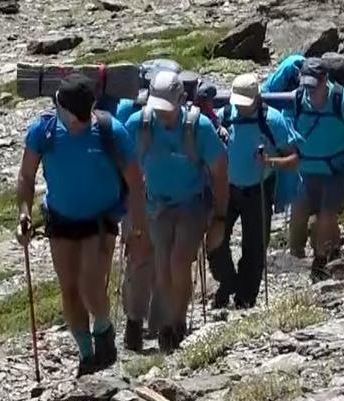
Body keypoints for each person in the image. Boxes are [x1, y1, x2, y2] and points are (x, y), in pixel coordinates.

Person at [16, 74, 150, 376]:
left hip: (101, 219)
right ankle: (87, 354)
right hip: (61, 220)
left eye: (82, 117)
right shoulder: (44, 131)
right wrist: (24, 213)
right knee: (70, 288)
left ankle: (103, 331)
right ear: (61, 109)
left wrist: (136, 225)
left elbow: (135, 181)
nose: (79, 123)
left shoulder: (109, 131)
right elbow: (26, 176)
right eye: (74, 118)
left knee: (90, 282)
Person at [125, 71, 228, 352]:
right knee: (162, 263)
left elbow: (219, 172)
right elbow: (127, 167)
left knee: (179, 260)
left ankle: (175, 323)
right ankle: (167, 321)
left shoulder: (200, 128)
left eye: (168, 110)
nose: (163, 115)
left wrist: (219, 217)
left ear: (181, 102)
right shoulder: (139, 125)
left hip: (192, 204)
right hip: (155, 205)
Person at [208, 73, 299, 309]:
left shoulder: (273, 121)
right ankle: (228, 282)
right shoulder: (225, 116)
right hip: (226, 189)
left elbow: (294, 157)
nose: (241, 107)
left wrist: (270, 162)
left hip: (258, 188)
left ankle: (245, 298)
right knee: (215, 241)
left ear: (258, 98)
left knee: (255, 247)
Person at [288, 57, 344, 279]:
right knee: (298, 219)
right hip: (306, 170)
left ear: (325, 80)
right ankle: (307, 252)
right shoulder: (298, 98)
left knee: (327, 215)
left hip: (336, 169)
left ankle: (323, 261)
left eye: (313, 86)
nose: (310, 92)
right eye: (306, 86)